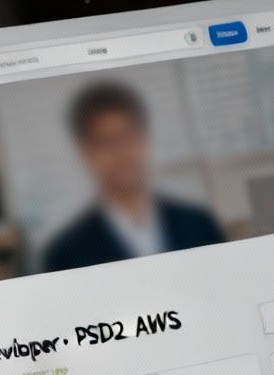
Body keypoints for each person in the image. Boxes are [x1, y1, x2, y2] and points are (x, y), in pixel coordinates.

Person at [41, 81, 226, 272]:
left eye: (129, 135)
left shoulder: (199, 224)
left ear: (145, 139)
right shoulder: (66, 255)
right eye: (106, 142)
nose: (122, 152)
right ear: (86, 153)